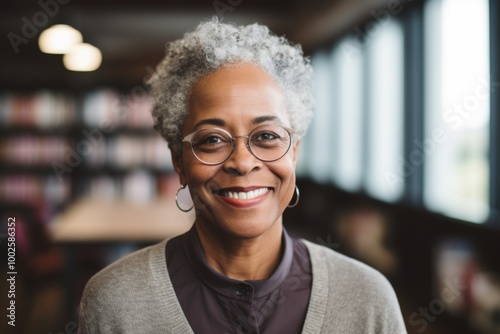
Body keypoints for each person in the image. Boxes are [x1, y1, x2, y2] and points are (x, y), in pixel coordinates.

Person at [77, 18, 407, 334]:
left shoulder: (367, 299)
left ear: (294, 152)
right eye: (212, 140)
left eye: (266, 136)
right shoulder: (114, 302)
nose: (243, 163)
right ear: (179, 161)